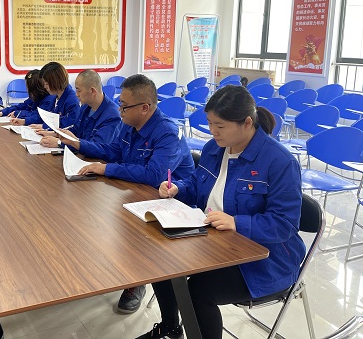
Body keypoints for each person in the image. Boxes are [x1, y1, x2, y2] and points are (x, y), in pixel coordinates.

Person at [136, 85, 305, 339]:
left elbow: (285, 224)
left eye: (220, 126)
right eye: (210, 123)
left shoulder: (279, 161)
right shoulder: (214, 148)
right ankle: (170, 326)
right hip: (216, 240)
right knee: (158, 260)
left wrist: (237, 222)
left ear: (247, 123)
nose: (212, 131)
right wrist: (177, 188)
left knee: (199, 291)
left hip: (265, 259)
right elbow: (197, 185)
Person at [59, 74, 194, 314]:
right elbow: (113, 151)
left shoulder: (167, 133)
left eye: (124, 105)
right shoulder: (129, 123)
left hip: (168, 203)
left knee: (125, 227)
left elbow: (154, 175)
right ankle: (112, 268)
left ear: (144, 108)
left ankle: (137, 279)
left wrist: (107, 169)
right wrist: (78, 143)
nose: (119, 109)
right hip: (136, 190)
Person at [39, 69, 120, 147]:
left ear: (92, 91)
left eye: (79, 91)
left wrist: (60, 143)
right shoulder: (86, 106)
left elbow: (97, 147)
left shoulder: (113, 116)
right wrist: (56, 134)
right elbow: (76, 129)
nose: (76, 94)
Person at [20, 61, 79, 128]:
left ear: (55, 82)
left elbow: (67, 125)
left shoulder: (72, 101)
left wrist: (44, 127)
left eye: (47, 84)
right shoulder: (55, 98)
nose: (45, 87)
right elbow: (45, 117)